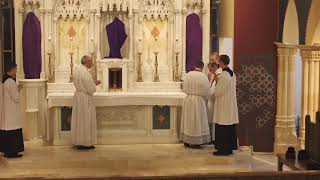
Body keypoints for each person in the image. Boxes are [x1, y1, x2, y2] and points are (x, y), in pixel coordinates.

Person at [71, 55, 101, 150]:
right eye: (91, 62)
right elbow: (91, 89)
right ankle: (85, 143)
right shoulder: (86, 73)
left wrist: (92, 83)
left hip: (78, 97)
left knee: (79, 120)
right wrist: (95, 84)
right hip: (85, 98)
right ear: (87, 62)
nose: (92, 64)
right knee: (86, 120)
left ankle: (78, 141)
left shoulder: (76, 70)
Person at [180, 61, 211, 149]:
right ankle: (196, 142)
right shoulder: (203, 76)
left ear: (195, 66)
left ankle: (186, 141)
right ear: (202, 67)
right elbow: (207, 91)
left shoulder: (188, 74)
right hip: (198, 101)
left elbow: (183, 88)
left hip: (188, 100)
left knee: (188, 120)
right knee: (197, 121)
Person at [212, 55, 239, 156]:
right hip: (229, 105)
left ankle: (223, 150)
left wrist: (216, 81)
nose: (218, 63)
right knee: (229, 127)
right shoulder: (232, 74)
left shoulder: (223, 75)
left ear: (222, 62)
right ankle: (229, 148)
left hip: (224, 105)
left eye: (219, 61)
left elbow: (218, 92)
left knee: (222, 127)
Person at [0, 63, 24, 158]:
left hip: (6, 110)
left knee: (7, 130)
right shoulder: (11, 82)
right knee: (13, 129)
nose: (16, 71)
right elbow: (16, 98)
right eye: (15, 69)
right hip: (12, 110)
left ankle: (7, 150)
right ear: (11, 69)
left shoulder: (4, 80)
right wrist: (19, 89)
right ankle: (12, 152)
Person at [207, 62, 220, 143]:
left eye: (210, 69)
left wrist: (207, 94)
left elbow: (214, 90)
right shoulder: (213, 75)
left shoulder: (218, 75)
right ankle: (212, 137)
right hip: (211, 101)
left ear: (215, 67)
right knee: (211, 120)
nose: (209, 70)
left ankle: (214, 138)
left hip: (215, 101)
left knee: (214, 120)